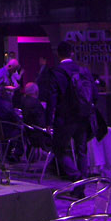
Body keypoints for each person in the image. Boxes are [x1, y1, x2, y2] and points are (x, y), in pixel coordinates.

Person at [43, 42, 94, 178]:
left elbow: (52, 97)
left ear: (58, 54)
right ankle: (82, 183)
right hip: (83, 115)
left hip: (65, 117)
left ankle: (76, 176)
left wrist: (48, 121)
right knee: (81, 150)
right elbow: (94, 94)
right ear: (72, 53)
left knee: (59, 148)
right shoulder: (83, 70)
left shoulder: (56, 72)